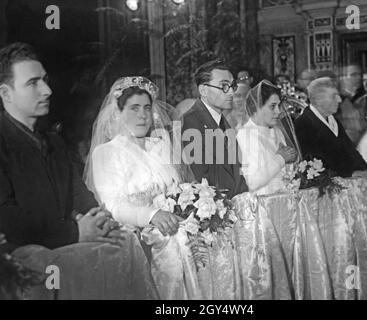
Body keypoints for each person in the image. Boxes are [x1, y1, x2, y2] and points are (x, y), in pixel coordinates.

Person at [0, 42, 155, 299]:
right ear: (5, 93)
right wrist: (74, 232)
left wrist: (100, 220)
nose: (47, 90)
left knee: (125, 242)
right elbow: (5, 217)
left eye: (45, 80)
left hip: (66, 239)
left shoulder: (54, 142)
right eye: (33, 83)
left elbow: (80, 195)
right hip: (19, 252)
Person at [85, 76, 190, 237]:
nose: (143, 115)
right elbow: (113, 205)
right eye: (134, 108)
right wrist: (151, 215)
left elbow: (179, 188)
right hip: (135, 236)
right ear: (118, 113)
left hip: (175, 229)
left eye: (147, 108)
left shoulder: (160, 145)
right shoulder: (106, 152)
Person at [181, 60, 248, 199]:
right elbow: (201, 179)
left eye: (232, 86)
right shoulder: (191, 121)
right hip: (215, 210)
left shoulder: (222, 120)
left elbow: (236, 170)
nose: (231, 92)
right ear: (203, 90)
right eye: (223, 86)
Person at [294, 77, 367, 178]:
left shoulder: (334, 121)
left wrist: (366, 169)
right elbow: (314, 163)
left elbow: (350, 151)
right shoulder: (303, 124)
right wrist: (350, 173)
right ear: (318, 100)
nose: (340, 100)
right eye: (334, 96)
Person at [237, 80, 299, 195]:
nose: (278, 111)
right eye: (272, 106)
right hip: (262, 204)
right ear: (257, 107)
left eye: (279, 106)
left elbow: (283, 173)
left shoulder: (278, 132)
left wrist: (291, 163)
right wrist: (281, 158)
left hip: (283, 201)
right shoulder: (246, 135)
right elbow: (251, 182)